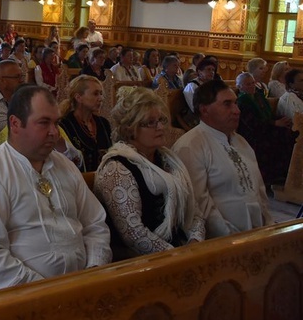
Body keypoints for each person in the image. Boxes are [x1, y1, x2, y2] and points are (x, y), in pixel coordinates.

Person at [0, 85, 111, 292]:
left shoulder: (64, 165)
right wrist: (44, 292)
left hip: (84, 287)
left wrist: (94, 269)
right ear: (15, 124)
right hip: (23, 299)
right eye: (43, 123)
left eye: (56, 123)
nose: (55, 133)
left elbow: (95, 224)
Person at [94, 87, 205, 257]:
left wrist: (195, 243)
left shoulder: (167, 159)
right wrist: (177, 255)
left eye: (161, 119)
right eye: (151, 122)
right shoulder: (116, 168)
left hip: (180, 249)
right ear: (131, 129)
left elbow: (193, 211)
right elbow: (133, 234)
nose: (160, 126)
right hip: (141, 261)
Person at [172, 80, 272, 239]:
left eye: (236, 103)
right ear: (204, 110)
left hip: (257, 235)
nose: (237, 111)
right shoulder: (190, 146)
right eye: (227, 104)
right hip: (221, 241)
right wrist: (230, 237)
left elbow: (259, 189)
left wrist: (269, 225)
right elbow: (199, 204)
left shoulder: (241, 141)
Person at [235, 71, 295, 185]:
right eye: (248, 84)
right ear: (239, 87)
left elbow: (269, 115)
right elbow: (251, 123)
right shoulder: (242, 101)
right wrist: (275, 123)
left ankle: (285, 174)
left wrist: (282, 120)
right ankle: (271, 177)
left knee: (289, 133)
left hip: (266, 127)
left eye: (253, 83)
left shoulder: (259, 96)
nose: (252, 86)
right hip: (253, 133)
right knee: (280, 136)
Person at [58, 75, 112, 172]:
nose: (101, 98)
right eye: (95, 94)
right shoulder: (65, 125)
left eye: (101, 94)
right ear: (79, 97)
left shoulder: (103, 123)